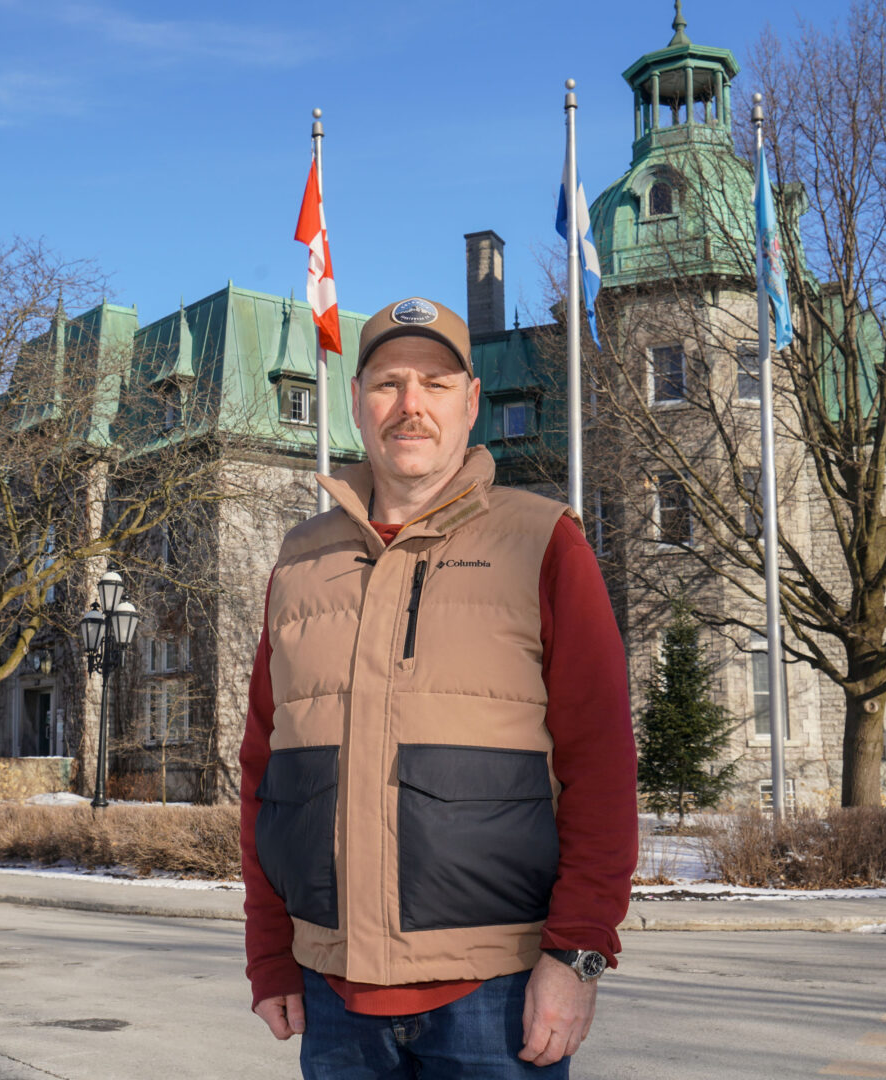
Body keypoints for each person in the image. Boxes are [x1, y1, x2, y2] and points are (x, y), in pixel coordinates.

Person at [239, 295, 638, 1078]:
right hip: (332, 998)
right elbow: (264, 772)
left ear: (472, 403)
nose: (409, 405)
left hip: (497, 996)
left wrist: (579, 956)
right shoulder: (299, 561)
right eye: (387, 384)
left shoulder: (542, 541)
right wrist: (270, 951)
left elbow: (600, 763)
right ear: (357, 402)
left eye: (435, 384)